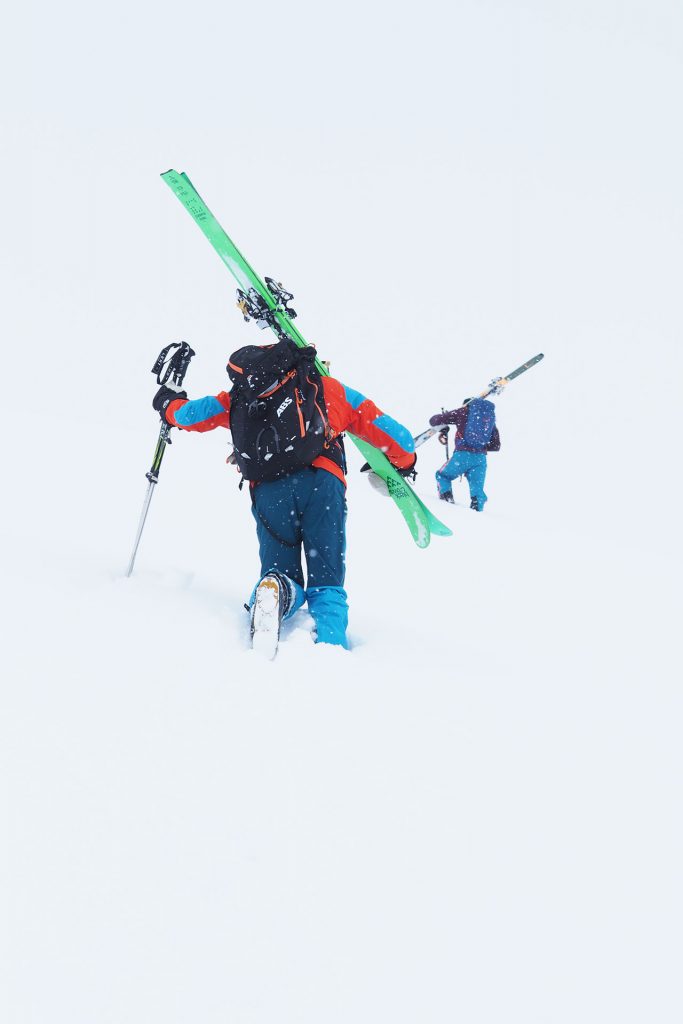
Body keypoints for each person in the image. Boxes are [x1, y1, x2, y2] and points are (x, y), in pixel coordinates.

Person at [152, 340, 416, 650]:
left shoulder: (237, 399)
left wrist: (167, 405)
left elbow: (190, 416)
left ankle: (275, 588)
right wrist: (404, 462)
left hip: (269, 491)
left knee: (280, 568)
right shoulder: (325, 388)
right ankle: (331, 644)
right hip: (322, 485)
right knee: (326, 577)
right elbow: (395, 436)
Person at [428, 397, 500, 510]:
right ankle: (478, 514)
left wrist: (446, 422)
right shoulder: (488, 420)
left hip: (462, 456)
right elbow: (496, 446)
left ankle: (446, 502)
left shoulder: (462, 412)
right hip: (480, 459)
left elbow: (434, 420)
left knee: (442, 476)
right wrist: (478, 446)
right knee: (477, 491)